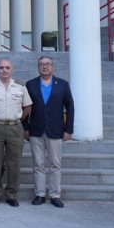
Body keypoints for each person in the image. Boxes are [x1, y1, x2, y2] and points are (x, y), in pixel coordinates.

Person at [0, 59, 32, 207]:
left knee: (14, 162)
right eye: (1, 68)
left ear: (12, 70)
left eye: (7, 67)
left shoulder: (20, 87)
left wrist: (17, 120)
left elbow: (27, 107)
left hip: (15, 127)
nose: (4, 70)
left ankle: (11, 194)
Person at [25, 56, 75, 208]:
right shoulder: (30, 84)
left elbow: (70, 107)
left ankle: (55, 195)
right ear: (38, 67)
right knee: (38, 164)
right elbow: (25, 108)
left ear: (52, 67)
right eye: (41, 64)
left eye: (47, 64)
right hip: (36, 129)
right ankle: (40, 194)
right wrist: (25, 128)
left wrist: (68, 129)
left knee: (55, 164)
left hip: (55, 129)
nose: (45, 67)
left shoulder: (63, 85)